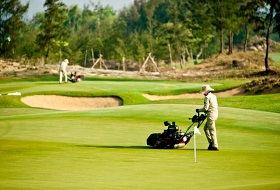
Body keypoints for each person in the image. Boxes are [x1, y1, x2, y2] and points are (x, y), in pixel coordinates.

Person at [196, 85, 219, 151]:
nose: (203, 93)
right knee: (205, 128)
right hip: (215, 114)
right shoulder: (214, 96)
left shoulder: (207, 97)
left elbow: (206, 108)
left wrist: (199, 110)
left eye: (204, 92)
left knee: (212, 130)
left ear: (207, 91)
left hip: (211, 115)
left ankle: (214, 145)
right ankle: (211, 142)